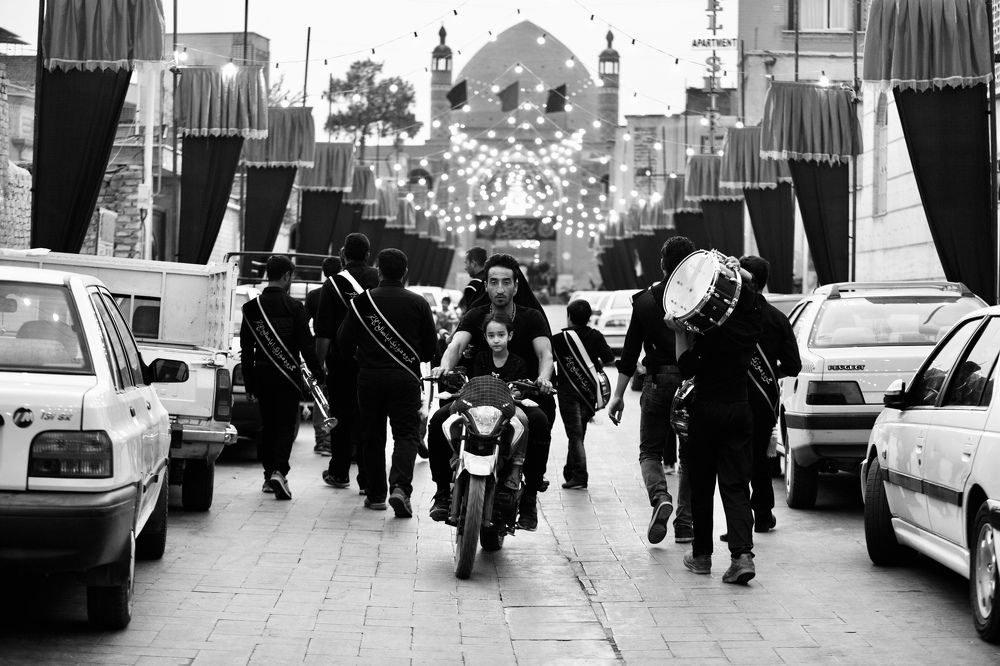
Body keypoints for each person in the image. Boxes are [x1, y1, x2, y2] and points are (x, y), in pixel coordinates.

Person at [429, 253, 555, 531]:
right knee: (438, 421)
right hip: (476, 396)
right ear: (485, 285)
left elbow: (545, 354)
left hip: (518, 396)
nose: (500, 288)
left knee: (540, 423)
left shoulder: (531, 317)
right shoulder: (475, 316)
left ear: (516, 286)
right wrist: (444, 367)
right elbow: (455, 346)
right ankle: (441, 492)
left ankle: (530, 497)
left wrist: (544, 379)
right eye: (494, 282)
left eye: (506, 282)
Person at [667, 255, 762, 584]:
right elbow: (753, 295)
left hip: (707, 411)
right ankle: (742, 556)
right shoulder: (750, 323)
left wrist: (678, 328)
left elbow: (686, 366)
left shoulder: (706, 332)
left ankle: (702, 555)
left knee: (702, 484)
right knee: (736, 486)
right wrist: (739, 271)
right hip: (739, 408)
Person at [607, 236, 697, 545]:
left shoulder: (645, 301)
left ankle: (660, 496)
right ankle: (685, 525)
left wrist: (617, 396)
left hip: (657, 381)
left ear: (662, 264)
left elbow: (630, 352)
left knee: (650, 451)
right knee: (689, 457)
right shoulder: (699, 298)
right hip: (692, 384)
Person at [337, 248, 437, 516]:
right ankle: (400, 488)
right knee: (406, 434)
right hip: (405, 379)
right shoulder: (418, 303)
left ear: (378, 270)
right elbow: (429, 352)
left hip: (369, 378)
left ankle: (376, 495)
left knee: (372, 436)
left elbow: (343, 344)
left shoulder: (361, 303)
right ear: (405, 272)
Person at [722, 256, 801, 538]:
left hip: (732, 396)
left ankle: (740, 521)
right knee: (760, 458)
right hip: (766, 400)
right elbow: (794, 366)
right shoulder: (778, 319)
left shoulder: (729, 316)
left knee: (736, 459)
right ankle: (764, 515)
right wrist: (769, 374)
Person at [239, 255, 324, 500]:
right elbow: (306, 346)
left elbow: (247, 350)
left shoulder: (251, 308)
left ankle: (268, 477)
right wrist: (318, 373)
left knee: (268, 426)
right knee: (286, 425)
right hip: (288, 376)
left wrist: (249, 381)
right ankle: (279, 471)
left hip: (262, 375)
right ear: (287, 276)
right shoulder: (294, 307)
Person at [314, 233, 379, 493]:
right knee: (369, 420)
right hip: (372, 361)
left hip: (341, 363)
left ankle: (339, 472)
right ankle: (367, 480)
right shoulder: (378, 279)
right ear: (368, 253)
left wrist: (320, 365)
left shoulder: (332, 284)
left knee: (341, 418)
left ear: (344, 254)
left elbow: (324, 331)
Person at [552, 299, 614, 489]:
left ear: (569, 317)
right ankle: (570, 470)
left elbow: (548, 361)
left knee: (575, 435)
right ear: (588, 318)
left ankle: (580, 475)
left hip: (567, 393)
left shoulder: (558, 339)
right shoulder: (596, 336)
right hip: (589, 394)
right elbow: (609, 359)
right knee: (578, 434)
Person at [306, 256, 340, 456]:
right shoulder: (349, 294)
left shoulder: (314, 295)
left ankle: (322, 439)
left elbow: (303, 324)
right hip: (342, 353)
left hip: (320, 351)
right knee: (341, 397)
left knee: (321, 396)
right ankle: (337, 439)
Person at [457, 246, 487, 313]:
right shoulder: (491, 281)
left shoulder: (473, 285)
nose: (465, 268)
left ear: (473, 264)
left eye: (466, 263)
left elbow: (467, 313)